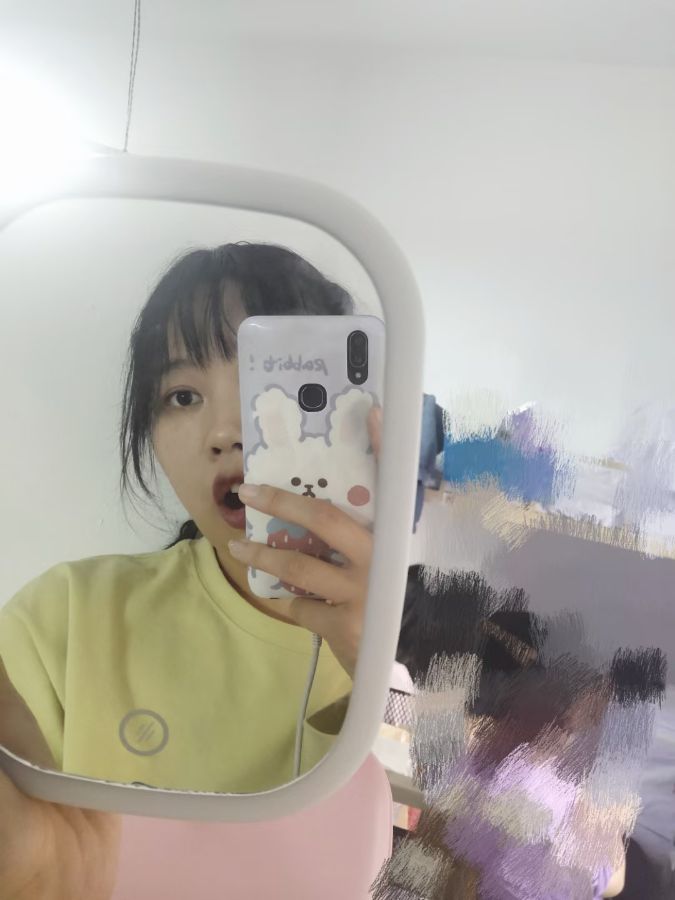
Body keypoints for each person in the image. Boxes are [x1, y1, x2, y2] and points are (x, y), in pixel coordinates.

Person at [0, 243, 382, 899]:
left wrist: (376, 669)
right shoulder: (64, 617)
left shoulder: (427, 649)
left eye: (268, 382)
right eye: (182, 395)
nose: (226, 431)